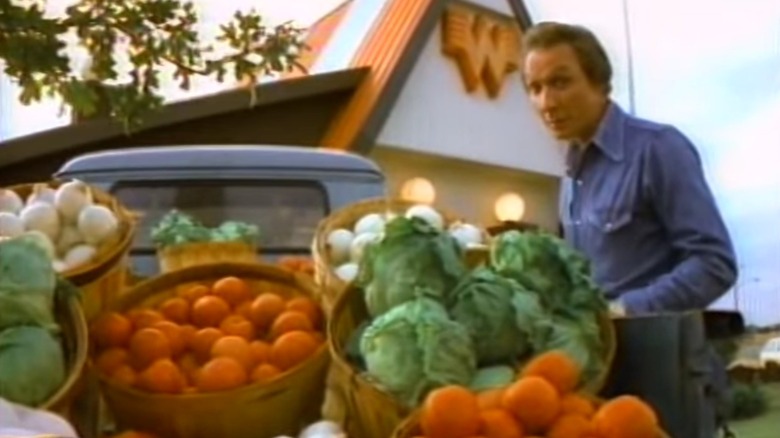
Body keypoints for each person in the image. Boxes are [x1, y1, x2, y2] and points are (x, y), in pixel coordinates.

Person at [521, 21, 738, 436]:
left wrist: (625, 311)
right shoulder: (570, 177)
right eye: (535, 88)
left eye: (560, 82)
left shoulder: (658, 149)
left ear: (600, 82)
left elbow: (715, 263)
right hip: (603, 388)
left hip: (667, 381)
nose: (546, 101)